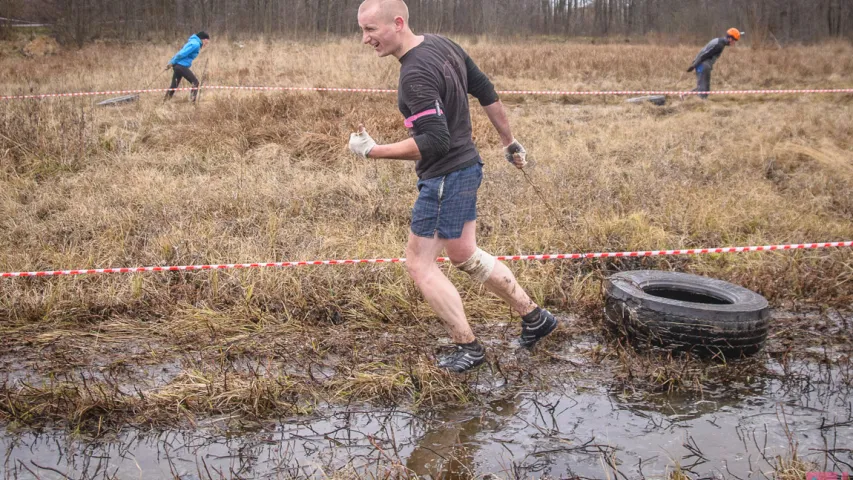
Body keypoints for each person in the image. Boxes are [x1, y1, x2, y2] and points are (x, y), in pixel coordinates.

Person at [348, 0, 557, 374]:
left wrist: (373, 151)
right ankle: (535, 317)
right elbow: (485, 87)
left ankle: (468, 346)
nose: (365, 39)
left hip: (445, 175)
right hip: (466, 168)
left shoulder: (414, 74)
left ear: (397, 23)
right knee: (463, 254)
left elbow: (435, 141)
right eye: (362, 30)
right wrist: (508, 141)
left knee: (419, 264)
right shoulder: (442, 44)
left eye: (370, 30)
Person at [685, 28, 742, 100]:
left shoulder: (720, 41)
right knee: (703, 88)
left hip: (704, 65)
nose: (734, 43)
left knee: (704, 87)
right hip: (703, 65)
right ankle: (701, 104)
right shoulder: (719, 45)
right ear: (730, 39)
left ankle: (685, 96)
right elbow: (704, 54)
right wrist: (694, 65)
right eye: (734, 41)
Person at [164, 31, 210, 103]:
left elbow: (181, 52)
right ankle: (192, 103)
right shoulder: (196, 44)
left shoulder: (193, 42)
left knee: (174, 85)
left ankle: (164, 102)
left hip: (178, 66)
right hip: (181, 66)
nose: (206, 44)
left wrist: (171, 62)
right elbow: (182, 54)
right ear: (203, 39)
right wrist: (171, 63)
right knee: (195, 82)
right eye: (206, 42)